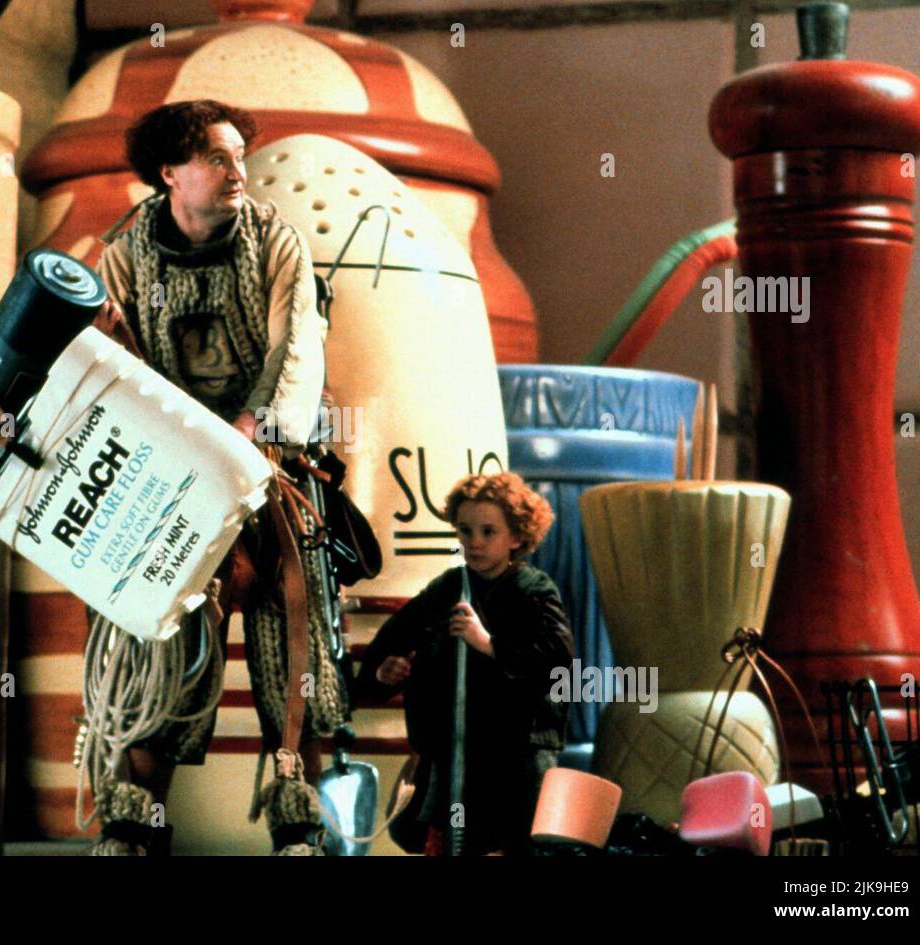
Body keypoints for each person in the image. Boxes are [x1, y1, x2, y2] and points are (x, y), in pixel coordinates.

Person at [85, 99, 345, 854]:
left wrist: (254, 433)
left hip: (273, 471)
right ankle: (134, 822)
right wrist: (170, 451)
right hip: (168, 482)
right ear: (170, 173)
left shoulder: (277, 243)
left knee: (293, 649)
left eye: (241, 157)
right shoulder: (126, 252)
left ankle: (298, 824)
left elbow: (296, 345)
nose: (239, 173)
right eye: (218, 159)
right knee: (153, 645)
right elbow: (116, 361)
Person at [354, 472, 574, 855]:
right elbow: (392, 642)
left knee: (516, 844)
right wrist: (385, 671)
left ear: (518, 537)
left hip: (514, 758)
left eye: (488, 532)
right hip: (453, 753)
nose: (474, 542)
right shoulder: (446, 590)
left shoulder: (533, 591)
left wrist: (489, 644)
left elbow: (558, 662)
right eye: (466, 530)